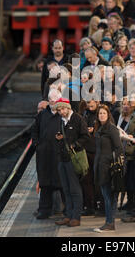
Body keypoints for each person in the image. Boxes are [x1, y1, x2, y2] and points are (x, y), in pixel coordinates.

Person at [54, 98, 90, 227]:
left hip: (74, 158)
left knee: (75, 189)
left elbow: (86, 136)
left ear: (68, 108)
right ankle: (68, 215)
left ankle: (76, 217)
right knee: (66, 188)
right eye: (59, 110)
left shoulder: (77, 119)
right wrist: (59, 137)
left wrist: (75, 145)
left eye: (63, 109)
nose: (61, 112)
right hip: (62, 158)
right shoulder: (60, 120)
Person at [33, 89, 63, 219]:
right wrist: (37, 144)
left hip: (59, 153)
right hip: (44, 154)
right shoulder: (42, 115)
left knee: (61, 182)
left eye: (55, 100)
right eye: (51, 100)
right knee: (45, 182)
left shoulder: (63, 115)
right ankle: (44, 209)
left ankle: (64, 209)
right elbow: (35, 131)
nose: (53, 102)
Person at [93, 105, 124, 232]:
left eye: (104, 113)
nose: (101, 115)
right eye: (100, 113)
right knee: (107, 196)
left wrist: (113, 165)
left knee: (109, 196)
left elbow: (119, 148)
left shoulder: (111, 129)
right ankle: (109, 222)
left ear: (108, 115)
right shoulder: (99, 129)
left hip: (109, 168)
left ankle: (110, 223)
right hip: (101, 166)